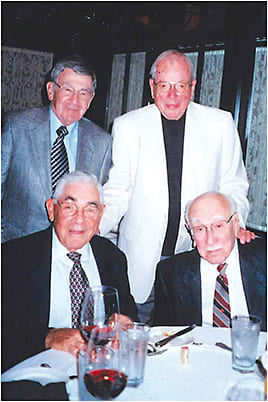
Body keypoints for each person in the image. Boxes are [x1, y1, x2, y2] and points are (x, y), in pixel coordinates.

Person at [99, 49, 254, 323]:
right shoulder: (128, 126)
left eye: (181, 85)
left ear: (192, 87)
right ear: (152, 87)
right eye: (164, 85)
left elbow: (234, 184)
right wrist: (89, 230)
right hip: (140, 262)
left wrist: (235, 223)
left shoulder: (220, 124)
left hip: (195, 260)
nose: (172, 95)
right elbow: (117, 191)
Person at [2, 171, 138, 371]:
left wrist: (124, 323)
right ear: (51, 209)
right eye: (69, 207)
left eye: (90, 210)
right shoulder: (12, 258)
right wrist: (48, 337)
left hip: (100, 368)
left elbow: (128, 313)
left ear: (101, 214)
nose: (80, 220)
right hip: (37, 375)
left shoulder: (113, 257)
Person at [2, 56, 112, 243]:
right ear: (51, 91)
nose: (75, 100)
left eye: (83, 93)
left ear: (91, 98)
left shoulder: (102, 141)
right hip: (16, 245)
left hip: (69, 250)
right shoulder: (17, 126)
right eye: (68, 90)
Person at [153, 192, 266, 331]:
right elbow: (163, 333)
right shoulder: (171, 273)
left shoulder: (263, 260)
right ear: (191, 232)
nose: (210, 240)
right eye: (200, 229)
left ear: (236, 222)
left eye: (218, 226)